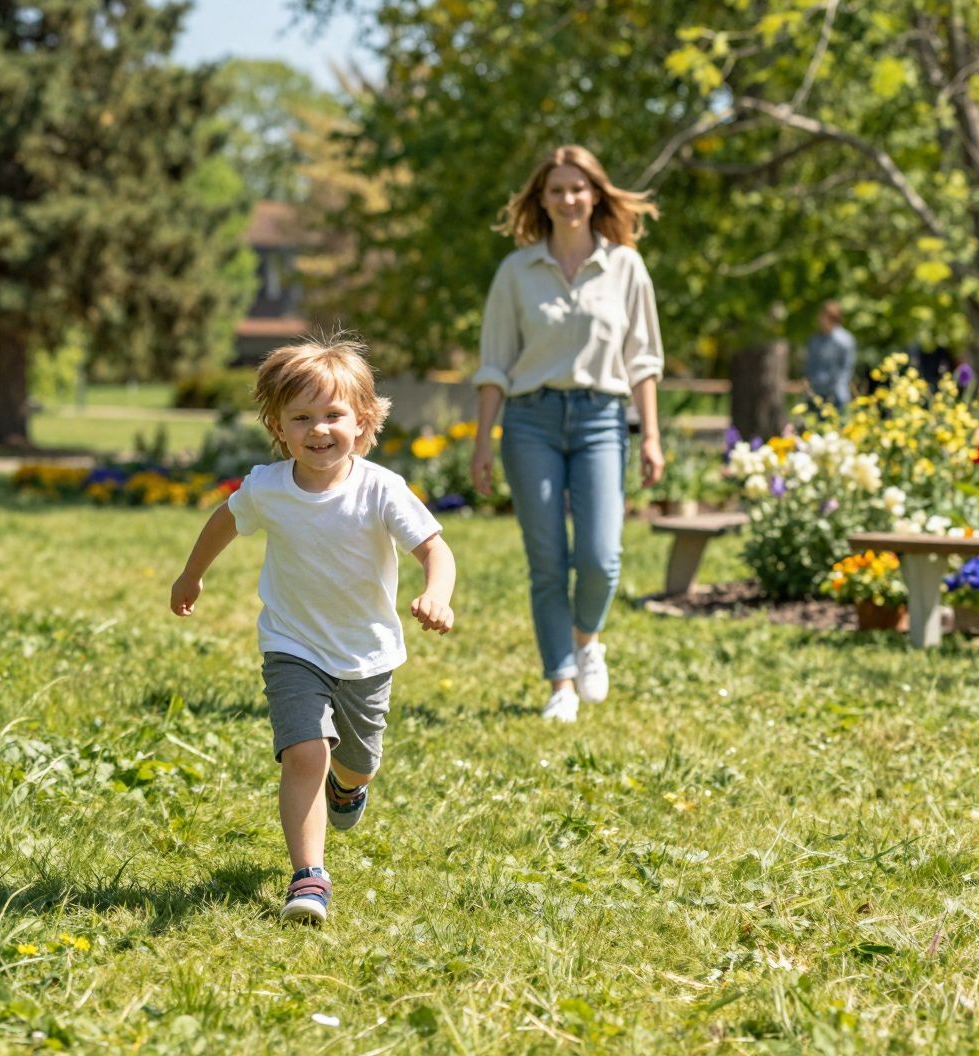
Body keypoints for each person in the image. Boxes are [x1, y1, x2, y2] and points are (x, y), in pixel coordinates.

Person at [169, 335, 456, 924]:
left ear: (365, 420)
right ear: (277, 425)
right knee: (305, 754)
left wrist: (436, 592)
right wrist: (190, 575)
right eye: (301, 417)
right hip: (292, 645)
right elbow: (224, 520)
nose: (318, 429)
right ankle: (309, 878)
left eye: (333, 415)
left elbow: (435, 549)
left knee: (355, 764)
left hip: (367, 654)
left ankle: (349, 789)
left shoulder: (380, 489)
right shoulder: (269, 488)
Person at [467, 144, 665, 723]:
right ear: (542, 200)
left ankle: (587, 639)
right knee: (548, 557)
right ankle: (561, 681)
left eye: (578, 188)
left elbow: (644, 358)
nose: (568, 198)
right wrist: (483, 440)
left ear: (596, 194)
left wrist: (650, 435)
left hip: (603, 418)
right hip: (530, 422)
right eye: (556, 189)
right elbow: (494, 364)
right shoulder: (516, 272)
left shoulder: (625, 265)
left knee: (601, 556)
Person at [804, 300, 857, 411]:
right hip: (816, 393)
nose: (820, 319)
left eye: (823, 316)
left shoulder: (845, 340)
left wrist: (837, 386)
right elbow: (810, 366)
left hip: (837, 394)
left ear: (833, 317)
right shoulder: (815, 340)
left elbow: (847, 368)